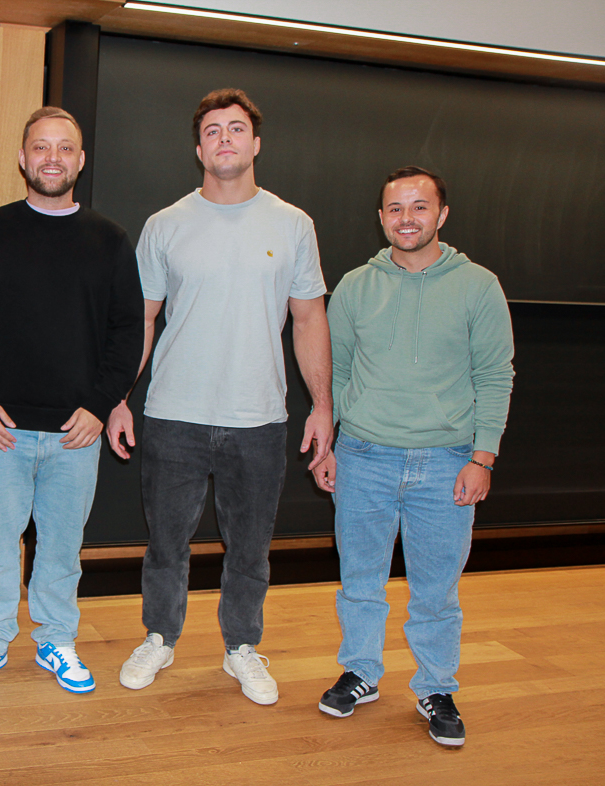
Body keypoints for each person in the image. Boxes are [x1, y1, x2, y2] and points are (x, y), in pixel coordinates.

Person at [110, 88, 333, 704]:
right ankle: (160, 637)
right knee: (166, 545)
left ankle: (242, 648)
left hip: (258, 419)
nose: (224, 138)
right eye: (212, 130)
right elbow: (142, 319)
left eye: (236, 129)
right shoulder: (166, 225)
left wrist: (323, 405)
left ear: (255, 143)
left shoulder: (293, 224)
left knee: (250, 549)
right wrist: (118, 396)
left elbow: (310, 319)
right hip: (173, 416)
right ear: (199, 148)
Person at [312, 166, 514, 747]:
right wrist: (330, 446)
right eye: (396, 208)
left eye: (419, 207)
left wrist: (483, 458)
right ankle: (361, 672)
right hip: (363, 457)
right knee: (359, 581)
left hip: (447, 462)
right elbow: (336, 371)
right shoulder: (355, 286)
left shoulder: (478, 286)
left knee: (437, 590)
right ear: (381, 217)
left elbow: (494, 375)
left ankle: (436, 687)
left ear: (441, 214)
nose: (407, 218)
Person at [0, 107, 143, 695]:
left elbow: (127, 333)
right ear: (22, 158)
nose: (51, 157)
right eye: (40, 146)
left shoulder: (110, 240)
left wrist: (101, 405)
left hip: (76, 434)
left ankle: (57, 640)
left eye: (63, 148)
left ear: (80, 160)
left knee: (61, 551)